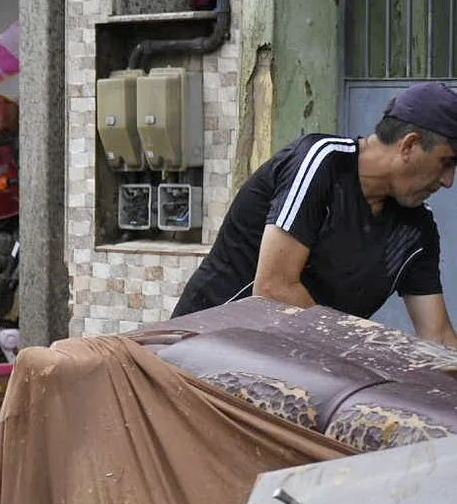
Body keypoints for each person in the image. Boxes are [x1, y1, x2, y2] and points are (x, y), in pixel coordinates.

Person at [173, 82, 457, 347]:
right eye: (446, 163)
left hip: (291, 371)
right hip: (200, 350)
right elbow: (273, 288)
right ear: (409, 145)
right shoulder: (321, 162)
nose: (449, 181)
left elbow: (438, 335)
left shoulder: (417, 229)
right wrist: (364, 350)